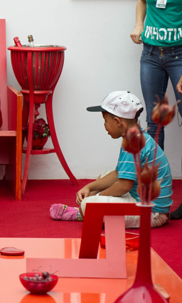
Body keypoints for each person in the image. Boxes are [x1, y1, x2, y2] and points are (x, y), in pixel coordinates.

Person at [50, 91, 172, 228]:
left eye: (105, 121)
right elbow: (118, 173)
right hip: (147, 204)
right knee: (104, 176)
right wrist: (90, 187)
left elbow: (124, 186)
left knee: (89, 205)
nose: (104, 125)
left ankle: (81, 213)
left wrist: (98, 196)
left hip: (152, 213)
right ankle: (91, 206)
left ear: (117, 122)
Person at [130, 0, 182, 151]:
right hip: (150, 55)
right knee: (154, 122)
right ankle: (156, 179)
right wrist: (138, 25)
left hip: (179, 56)